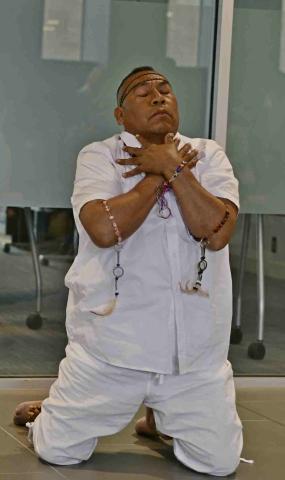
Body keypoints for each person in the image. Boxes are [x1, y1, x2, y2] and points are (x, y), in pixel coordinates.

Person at [14, 66, 243, 476]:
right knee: (59, 451)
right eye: (142, 92)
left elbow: (218, 232)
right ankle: (49, 413)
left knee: (219, 464)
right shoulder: (99, 156)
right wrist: (157, 171)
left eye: (165, 90)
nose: (158, 97)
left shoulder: (206, 155)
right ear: (120, 116)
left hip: (193, 357)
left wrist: (176, 168)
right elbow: (103, 229)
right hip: (112, 349)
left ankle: (159, 420)